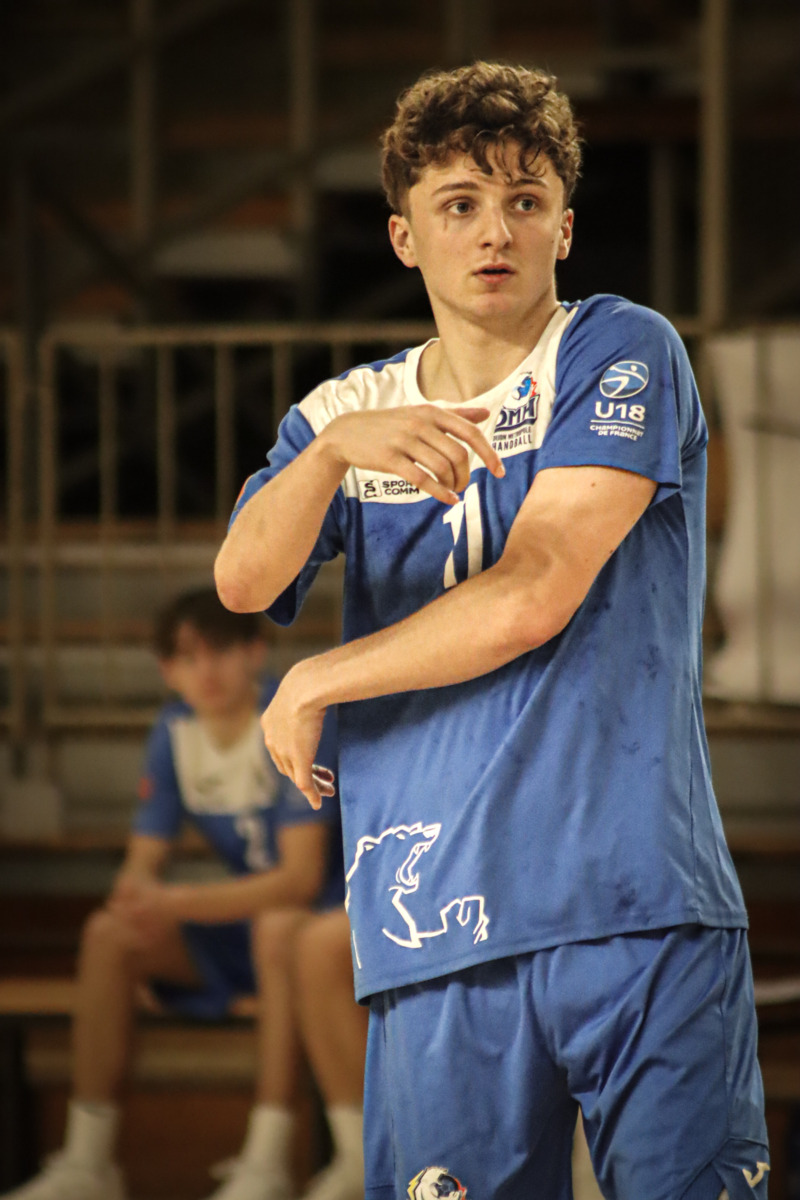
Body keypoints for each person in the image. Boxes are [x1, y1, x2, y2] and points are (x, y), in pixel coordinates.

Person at [214, 62, 768, 1200]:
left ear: (563, 225)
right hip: (433, 925)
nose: (494, 231)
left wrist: (314, 678)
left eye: (524, 200)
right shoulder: (340, 414)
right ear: (404, 237)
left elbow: (534, 589)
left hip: (631, 900)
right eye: (458, 204)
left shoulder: (619, 347)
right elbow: (240, 581)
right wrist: (327, 459)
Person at [3, 588, 365, 1200]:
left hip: (322, 927)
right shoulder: (172, 732)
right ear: (166, 670)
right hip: (246, 929)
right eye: (186, 658)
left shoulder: (291, 717)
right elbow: (141, 867)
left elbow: (299, 880)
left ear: (255, 652)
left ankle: (268, 1161)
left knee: (277, 926)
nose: (206, 671)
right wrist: (139, 901)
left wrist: (173, 903)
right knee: (109, 935)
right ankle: (88, 1163)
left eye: (220, 651)